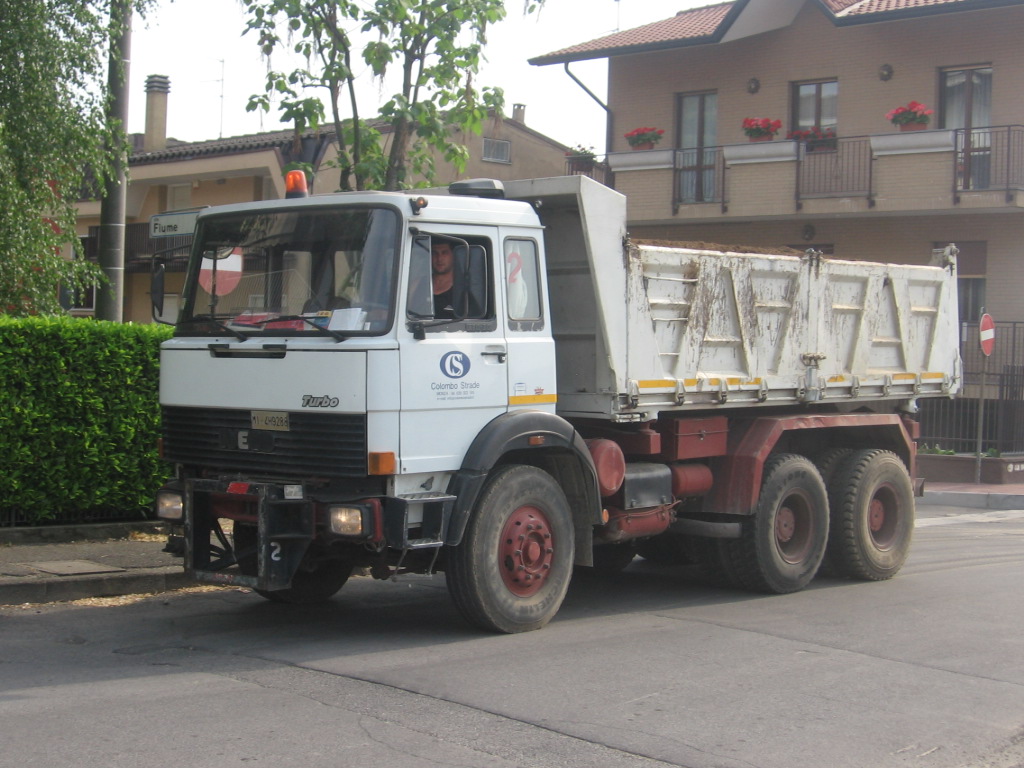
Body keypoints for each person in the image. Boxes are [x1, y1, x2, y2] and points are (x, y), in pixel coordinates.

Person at [431, 240, 456, 318]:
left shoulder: (462, 288)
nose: (439, 258)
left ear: (453, 255)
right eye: (435, 253)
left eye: (444, 253)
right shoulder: (417, 284)